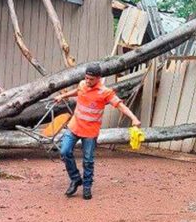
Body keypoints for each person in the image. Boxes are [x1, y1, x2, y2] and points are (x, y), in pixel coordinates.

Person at [54, 64, 141, 200]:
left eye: (91, 79)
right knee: (64, 151)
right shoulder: (83, 84)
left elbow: (120, 105)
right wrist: (63, 96)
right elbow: (77, 91)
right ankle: (76, 179)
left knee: (88, 160)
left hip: (90, 132)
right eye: (86, 78)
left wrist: (134, 118)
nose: (88, 81)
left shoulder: (105, 92)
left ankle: (87, 187)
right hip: (74, 127)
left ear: (99, 78)